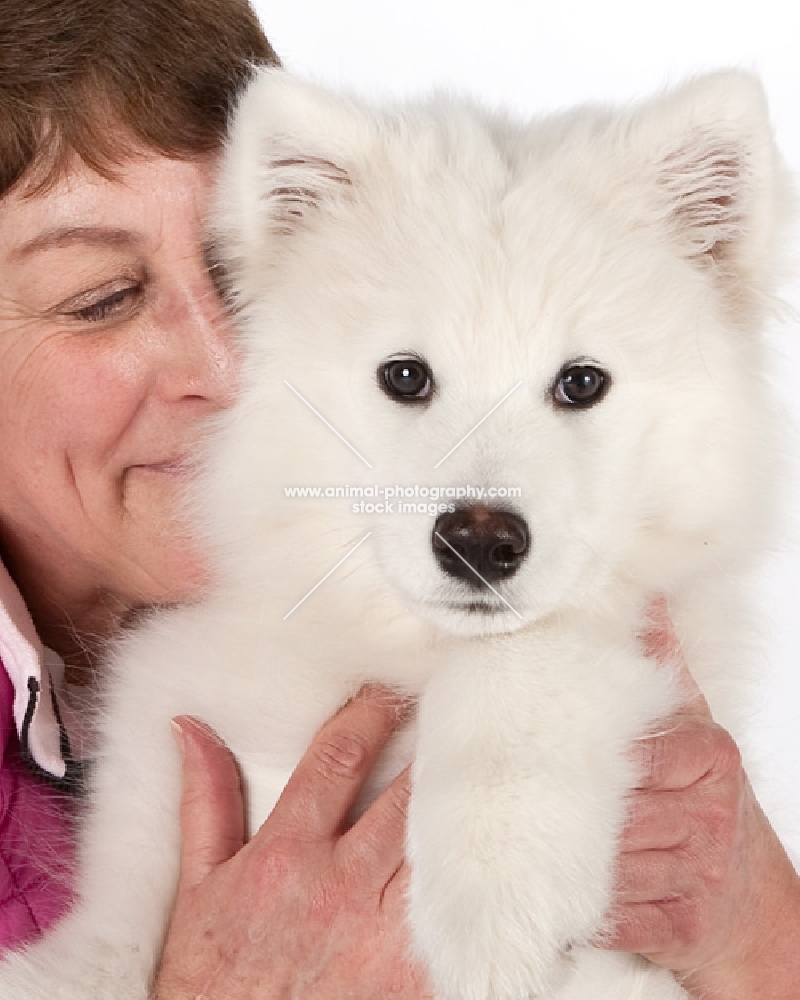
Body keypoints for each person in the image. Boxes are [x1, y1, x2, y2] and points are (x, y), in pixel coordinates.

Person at [0, 1, 797, 997]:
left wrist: (753, 929)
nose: (225, 368)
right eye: (104, 296)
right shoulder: (186, 692)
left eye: (230, 274)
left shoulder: (187, 638)